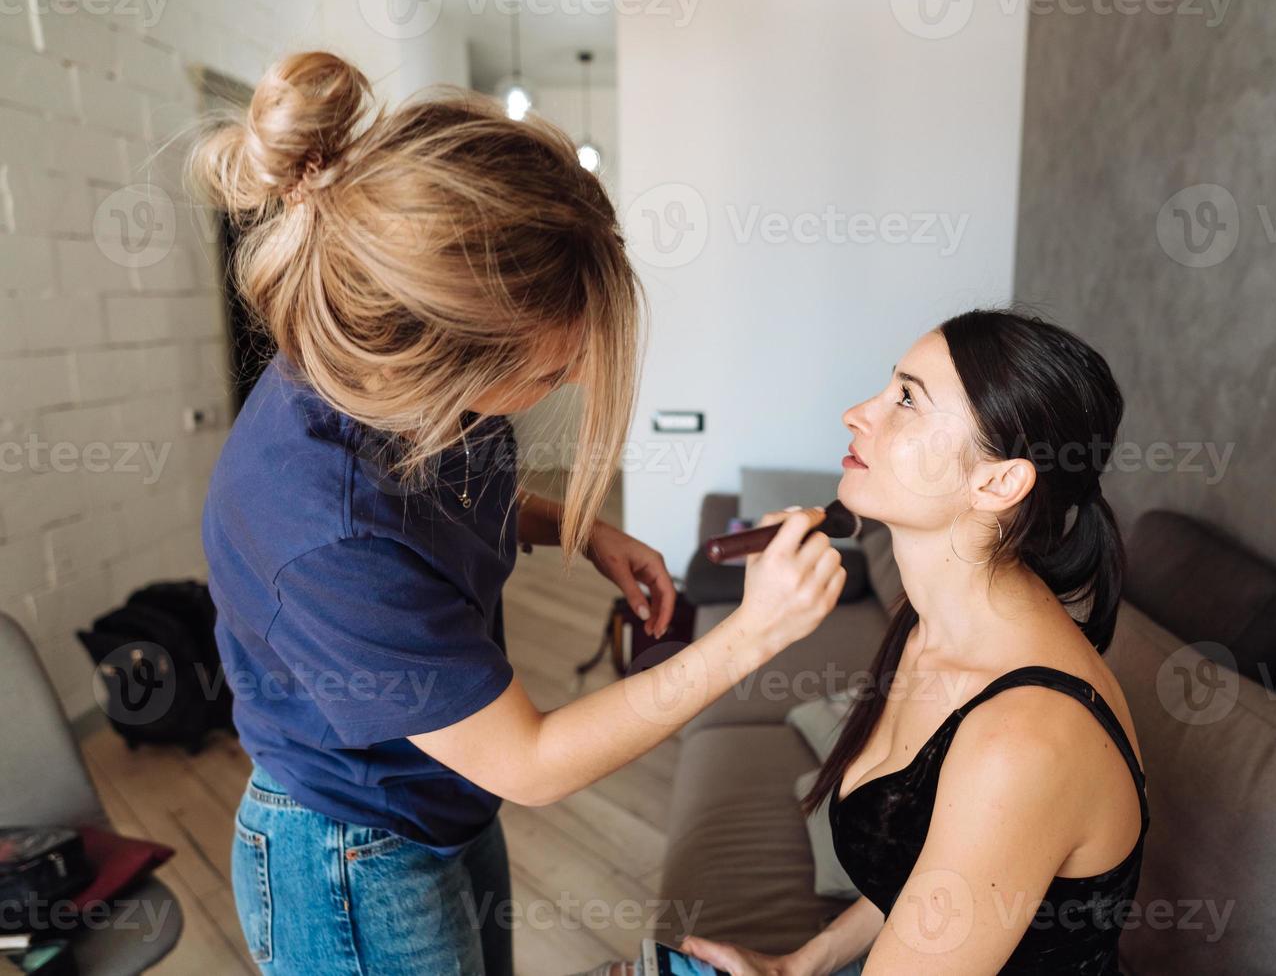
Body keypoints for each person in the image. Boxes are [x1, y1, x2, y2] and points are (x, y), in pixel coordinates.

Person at [192, 51, 846, 975]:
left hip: (439, 795)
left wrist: (586, 532)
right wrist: (754, 634)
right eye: (549, 370)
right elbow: (531, 760)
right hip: (350, 848)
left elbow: (442, 504)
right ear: (440, 357)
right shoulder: (321, 530)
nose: (575, 377)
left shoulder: (399, 388)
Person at [677, 310, 1147, 975]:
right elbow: (933, 856)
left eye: (906, 399)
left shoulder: (1020, 745)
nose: (855, 413)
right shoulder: (933, 623)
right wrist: (798, 966)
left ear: (997, 483)